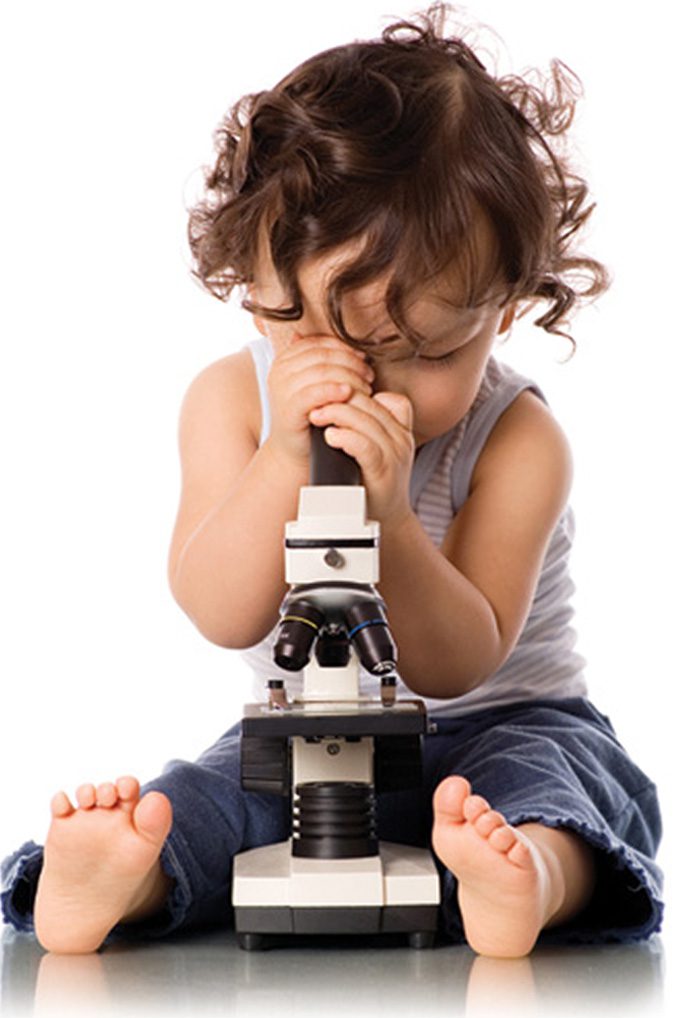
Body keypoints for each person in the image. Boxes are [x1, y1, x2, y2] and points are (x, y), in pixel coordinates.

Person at [1, 4, 663, 958]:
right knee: (213, 796)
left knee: (557, 790)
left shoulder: (518, 440)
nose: (364, 383)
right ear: (255, 286)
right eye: (312, 336)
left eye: (420, 351)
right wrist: (279, 460)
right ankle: (123, 879)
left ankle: (525, 879)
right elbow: (223, 609)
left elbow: (455, 661)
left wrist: (390, 515)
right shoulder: (231, 403)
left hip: (503, 722)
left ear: (506, 307)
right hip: (315, 735)